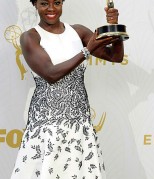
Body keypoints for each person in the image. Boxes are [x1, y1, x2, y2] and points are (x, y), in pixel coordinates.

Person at [11, 0, 124, 178]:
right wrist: (86, 51)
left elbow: (115, 56)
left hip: (79, 126)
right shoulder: (30, 37)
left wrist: (113, 26)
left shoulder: (78, 31)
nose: (51, 9)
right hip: (47, 126)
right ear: (35, 5)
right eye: (44, 3)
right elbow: (50, 74)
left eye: (56, 2)